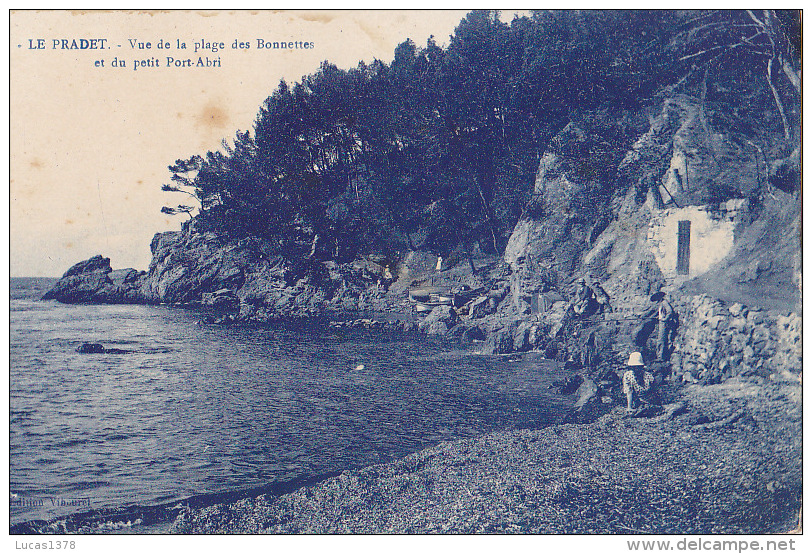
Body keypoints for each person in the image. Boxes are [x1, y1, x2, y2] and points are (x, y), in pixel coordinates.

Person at [656, 292, 677, 361]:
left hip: (664, 323)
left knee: (661, 339)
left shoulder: (664, 302)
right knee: (660, 339)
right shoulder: (661, 303)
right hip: (661, 322)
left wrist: (665, 319)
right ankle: (660, 355)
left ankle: (660, 357)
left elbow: (670, 311)